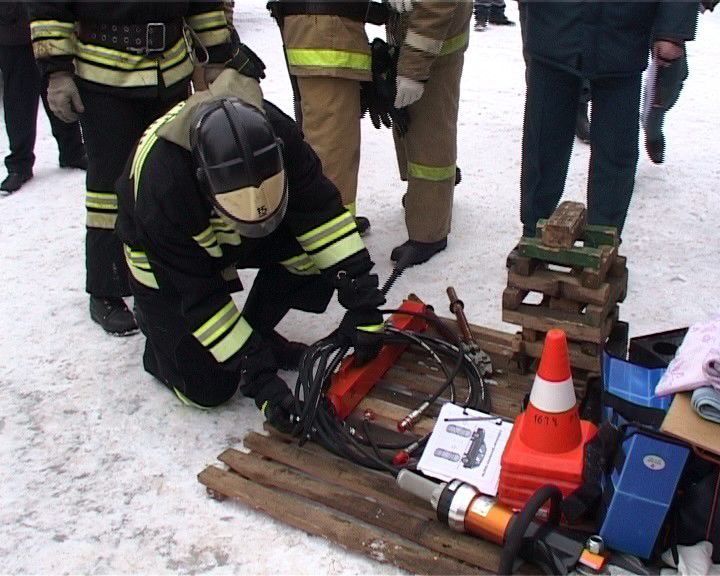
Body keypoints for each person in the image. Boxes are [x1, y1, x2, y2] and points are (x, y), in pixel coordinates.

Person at [115, 70, 385, 429]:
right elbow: (198, 296)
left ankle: (254, 331)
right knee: (209, 389)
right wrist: (255, 373)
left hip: (232, 229)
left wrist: (363, 305)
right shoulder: (163, 190)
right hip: (168, 264)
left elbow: (325, 222)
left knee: (313, 256)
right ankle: (163, 348)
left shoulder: (278, 135)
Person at [28, 2, 233, 335]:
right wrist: (57, 71)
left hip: (170, 71)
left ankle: (165, 279)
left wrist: (217, 55)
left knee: (169, 183)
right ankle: (107, 286)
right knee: (109, 189)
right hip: (104, 75)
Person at [519, 1, 697, 238]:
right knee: (543, 141)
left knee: (615, 149)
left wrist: (672, 31)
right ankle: (533, 232)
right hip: (554, 23)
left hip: (624, 27)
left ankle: (603, 239)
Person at [267, 1, 388, 235]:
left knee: (324, 139)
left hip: (321, 32)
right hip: (329, 36)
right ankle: (331, 233)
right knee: (333, 145)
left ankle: (332, 223)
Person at [386, 0, 473, 266]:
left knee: (430, 134)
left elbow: (436, 5)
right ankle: (427, 196)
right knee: (411, 123)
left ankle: (429, 232)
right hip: (419, 37)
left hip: (434, 45)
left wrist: (414, 68)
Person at [0, 2, 85, 195]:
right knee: (18, 99)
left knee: (59, 86)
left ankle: (73, 151)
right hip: (12, 28)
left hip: (51, 25)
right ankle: (19, 165)